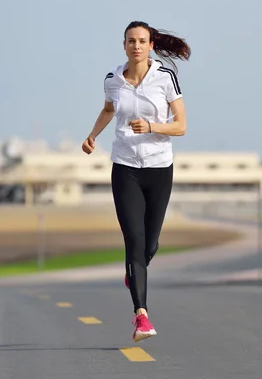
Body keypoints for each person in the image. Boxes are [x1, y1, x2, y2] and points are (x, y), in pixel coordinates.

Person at [82, 20, 190, 342]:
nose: (137, 46)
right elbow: (107, 109)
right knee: (134, 241)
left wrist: (153, 127)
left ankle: (135, 269)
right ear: (124, 45)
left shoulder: (165, 78)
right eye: (131, 41)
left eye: (142, 41)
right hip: (125, 167)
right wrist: (91, 136)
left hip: (159, 168)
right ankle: (141, 317)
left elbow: (182, 125)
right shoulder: (113, 79)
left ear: (151, 45)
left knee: (150, 245)